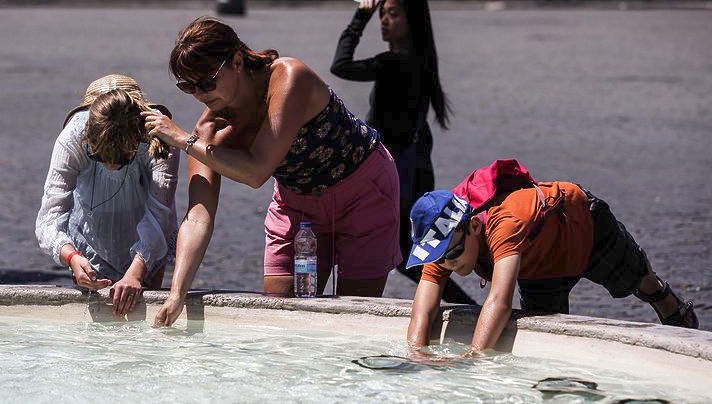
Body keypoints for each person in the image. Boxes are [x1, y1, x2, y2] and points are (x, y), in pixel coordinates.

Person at [144, 17, 401, 327]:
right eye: (189, 86)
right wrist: (176, 292)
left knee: (352, 322)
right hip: (297, 205)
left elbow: (256, 172)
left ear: (237, 60)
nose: (200, 93)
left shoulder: (289, 77)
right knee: (280, 319)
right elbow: (198, 217)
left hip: (363, 192)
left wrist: (184, 140)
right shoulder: (209, 132)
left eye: (207, 81)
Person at [405, 160, 699, 358]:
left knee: (638, 280)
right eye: (439, 258)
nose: (448, 265)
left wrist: (472, 359)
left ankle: (665, 298)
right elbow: (424, 307)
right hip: (541, 270)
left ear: (474, 226)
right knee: (548, 339)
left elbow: (499, 301)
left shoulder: (504, 221)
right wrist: (418, 355)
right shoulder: (443, 234)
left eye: (454, 254)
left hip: (584, 228)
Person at [330, 0, 472, 305]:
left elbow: (340, 65)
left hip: (395, 171)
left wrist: (361, 15)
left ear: (412, 22)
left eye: (393, 14)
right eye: (381, 14)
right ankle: (457, 304)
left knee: (399, 251)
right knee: (411, 249)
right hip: (416, 165)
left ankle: (461, 306)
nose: (384, 20)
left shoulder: (393, 63)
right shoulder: (422, 60)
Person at [35, 75, 179, 316]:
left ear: (137, 139)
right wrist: (71, 256)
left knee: (144, 323)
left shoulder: (160, 138)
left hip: (148, 235)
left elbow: (159, 215)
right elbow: (49, 217)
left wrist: (137, 270)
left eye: (123, 160)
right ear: (89, 136)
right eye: (100, 157)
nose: (111, 166)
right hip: (88, 237)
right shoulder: (73, 138)